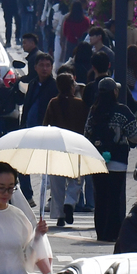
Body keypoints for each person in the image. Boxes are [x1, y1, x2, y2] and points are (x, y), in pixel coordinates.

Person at [82, 78, 137, 243]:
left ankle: (101, 231)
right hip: (118, 160)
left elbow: (86, 133)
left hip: (97, 160)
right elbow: (135, 135)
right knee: (115, 198)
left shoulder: (94, 111)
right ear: (114, 92)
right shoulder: (122, 111)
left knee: (100, 197)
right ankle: (114, 233)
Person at [43, 72, 89, 227]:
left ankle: (59, 215)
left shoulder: (53, 103)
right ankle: (70, 202)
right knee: (76, 180)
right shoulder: (80, 104)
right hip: (75, 146)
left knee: (57, 184)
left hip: (57, 147)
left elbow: (46, 125)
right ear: (71, 86)